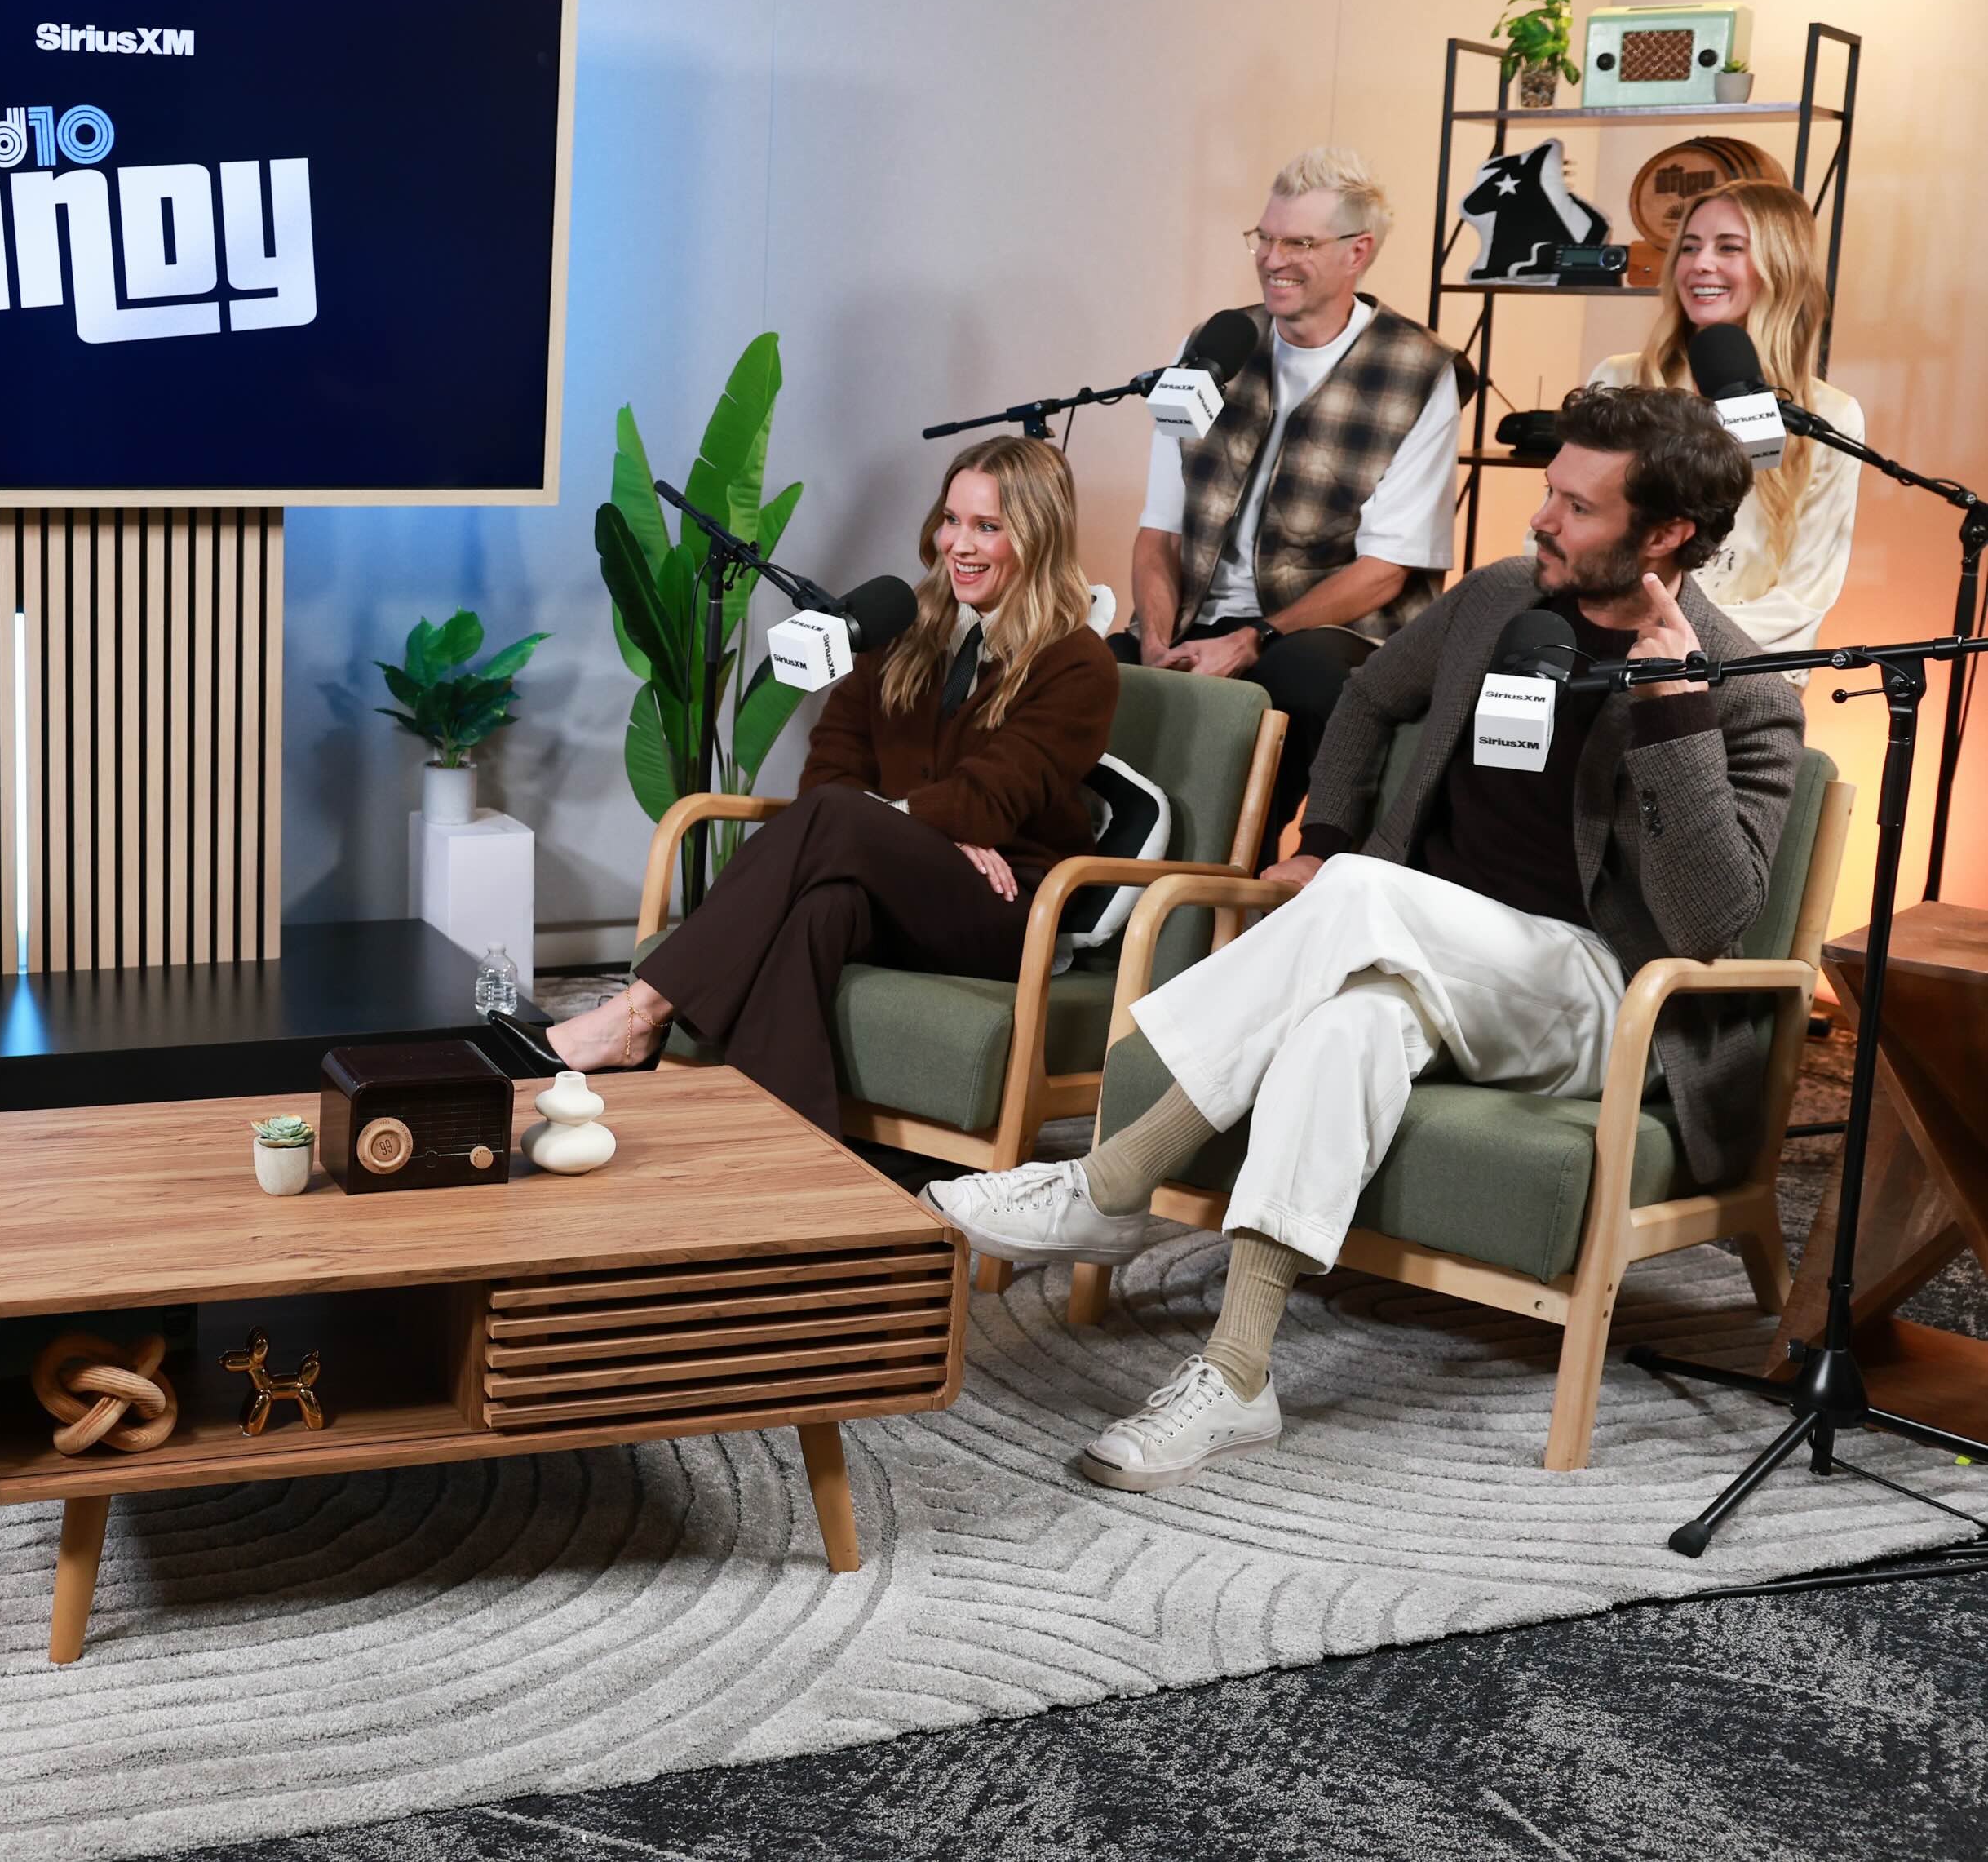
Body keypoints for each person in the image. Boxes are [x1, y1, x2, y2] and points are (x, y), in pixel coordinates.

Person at [933, 387, 1800, 1492]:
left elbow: (1713, 921)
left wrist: (1674, 710)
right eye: (1549, 494)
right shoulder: (1497, 601)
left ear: (1665, 533)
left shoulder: (1741, 693)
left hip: (1596, 992)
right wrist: (1329, 832)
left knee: (1360, 898)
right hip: (1424, 951)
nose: (1543, 520)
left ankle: (1110, 1180)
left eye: (1578, 509)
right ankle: (1239, 1372)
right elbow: (1367, 698)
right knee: (1346, 1025)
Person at [509, 432, 1118, 1136]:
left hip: (1004, 903)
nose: (959, 543)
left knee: (837, 815)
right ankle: (784, 1151)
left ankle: (636, 1013)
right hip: (893, 886)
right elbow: (830, 766)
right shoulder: (900, 631)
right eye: (952, 519)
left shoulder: (1077, 664)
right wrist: (912, 832)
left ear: (1038, 536)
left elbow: (987, 801)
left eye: (988, 527)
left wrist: (896, 828)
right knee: (821, 909)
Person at [1123, 146, 1468, 845]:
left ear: (1357, 252)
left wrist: (1255, 638)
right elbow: (1159, 530)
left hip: (1329, 634)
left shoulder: (1419, 369)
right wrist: (1157, 641)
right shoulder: (1215, 346)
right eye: (1266, 237)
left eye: (1299, 242)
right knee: (1089, 669)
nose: (1273, 257)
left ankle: (1232, 880)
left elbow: (1387, 569)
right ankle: (1094, 875)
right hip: (1194, 618)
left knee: (1300, 676)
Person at [1590, 177, 1862, 656]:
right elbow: (1556, 531)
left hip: (1745, 666)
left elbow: (1806, 593)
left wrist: (1686, 646)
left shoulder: (1829, 416)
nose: (1701, 264)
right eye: (1690, 247)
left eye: (1728, 248)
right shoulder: (1619, 380)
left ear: (1781, 268)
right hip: (1612, 648)